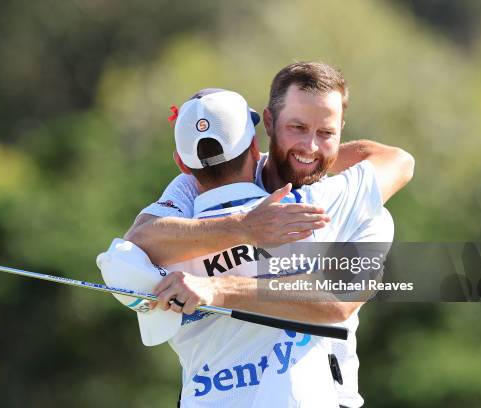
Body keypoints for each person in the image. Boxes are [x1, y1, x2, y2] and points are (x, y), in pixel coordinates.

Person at [124, 62, 414, 407]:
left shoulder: (358, 203)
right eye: (298, 127)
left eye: (326, 133)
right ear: (270, 123)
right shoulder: (196, 184)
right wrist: (246, 226)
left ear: (342, 131)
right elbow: (140, 239)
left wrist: (217, 289)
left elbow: (339, 299)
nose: (310, 145)